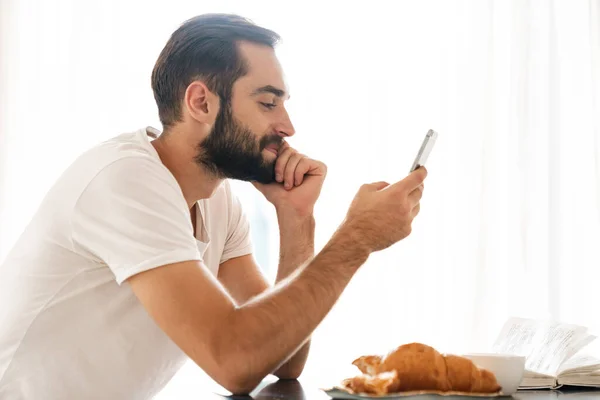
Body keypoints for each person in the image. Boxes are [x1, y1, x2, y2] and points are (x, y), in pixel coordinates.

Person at [0, 13, 427, 399]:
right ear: (201, 102)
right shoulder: (124, 180)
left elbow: (281, 359)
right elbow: (234, 361)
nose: (287, 126)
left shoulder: (216, 200)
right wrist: (356, 239)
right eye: (267, 102)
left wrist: (297, 218)